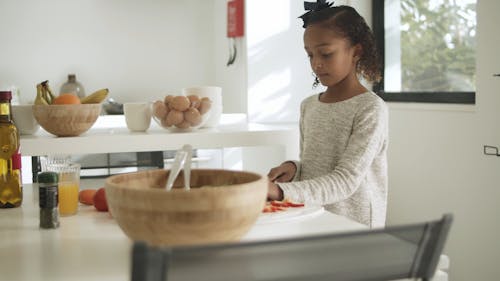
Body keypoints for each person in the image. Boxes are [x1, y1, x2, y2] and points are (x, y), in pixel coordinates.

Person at [267, 0, 388, 227]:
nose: (316, 64)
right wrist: (296, 168)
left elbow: (345, 180)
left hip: (354, 228)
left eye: (326, 54)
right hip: (313, 218)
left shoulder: (370, 108)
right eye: (310, 55)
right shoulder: (309, 106)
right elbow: (316, 165)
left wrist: (279, 191)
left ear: (356, 51)